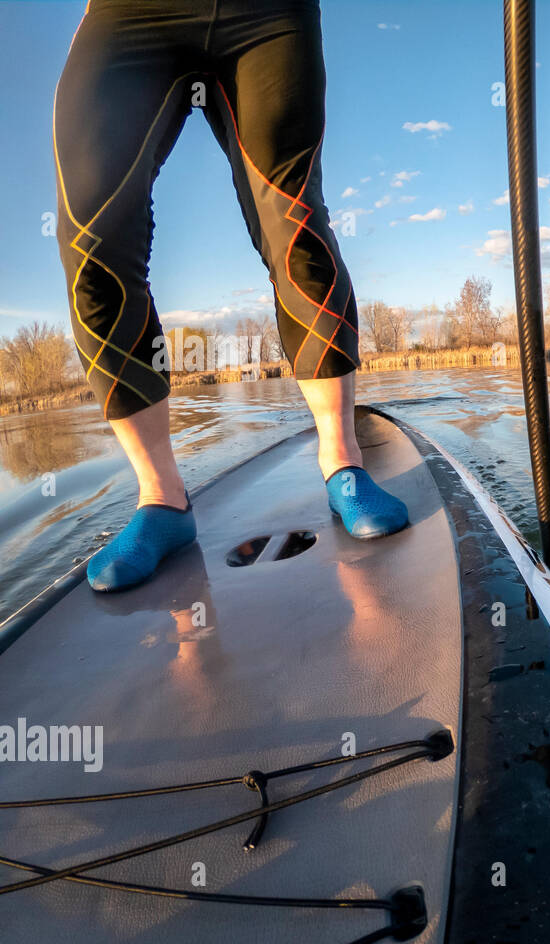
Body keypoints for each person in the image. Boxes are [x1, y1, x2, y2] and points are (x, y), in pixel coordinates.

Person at [54, 0, 407, 593]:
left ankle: (342, 462)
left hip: (267, 12)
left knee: (292, 219)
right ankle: (162, 501)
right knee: (91, 235)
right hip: (129, 12)